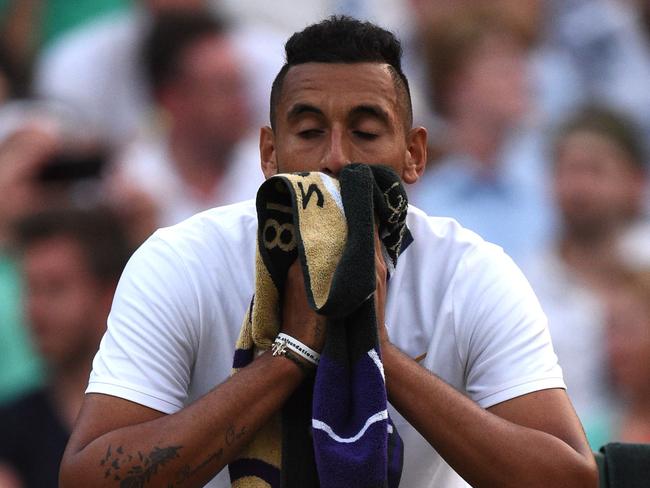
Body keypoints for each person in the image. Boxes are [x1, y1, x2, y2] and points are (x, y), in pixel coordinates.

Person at [59, 16, 597, 487]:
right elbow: (88, 475)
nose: (336, 160)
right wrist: (291, 353)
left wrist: (375, 350)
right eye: (310, 131)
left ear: (414, 155)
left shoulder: (470, 273)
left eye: (365, 132)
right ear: (270, 154)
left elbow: (569, 478)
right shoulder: (181, 262)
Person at [522, 105, 648, 449]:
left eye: (595, 171)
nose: (579, 187)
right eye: (567, 170)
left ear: (635, 182)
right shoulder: (521, 286)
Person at [0, 207, 132, 488]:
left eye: (55, 288)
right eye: (31, 289)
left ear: (111, 295)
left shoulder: (161, 413)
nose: (35, 309)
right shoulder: (10, 429)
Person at [105, 11, 264, 230]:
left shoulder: (274, 176)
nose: (242, 103)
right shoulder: (127, 186)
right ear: (172, 98)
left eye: (240, 86)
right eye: (223, 89)